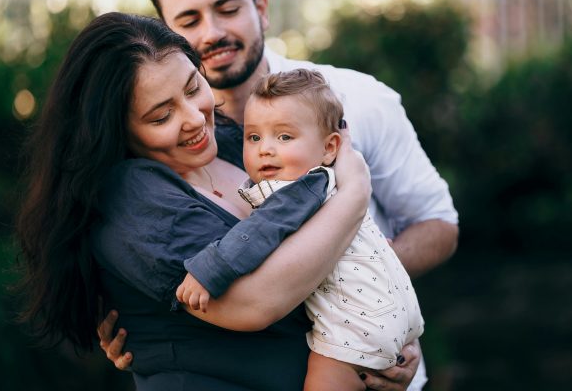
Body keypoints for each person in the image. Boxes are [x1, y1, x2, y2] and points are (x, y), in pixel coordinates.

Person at [100, 0, 458, 390]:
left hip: (381, 366)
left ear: (261, 8)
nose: (213, 32)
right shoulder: (186, 148)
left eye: (228, 9)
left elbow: (438, 224)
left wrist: (371, 303)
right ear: (168, 35)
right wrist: (149, 330)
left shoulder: (357, 99)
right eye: (189, 20)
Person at [16, 12, 389, 390]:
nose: (194, 118)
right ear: (116, 130)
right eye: (162, 116)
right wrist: (355, 193)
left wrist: (384, 346)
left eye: (194, 88)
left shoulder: (235, 145)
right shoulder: (130, 196)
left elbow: (338, 260)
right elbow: (254, 303)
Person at [176, 69, 425, 391]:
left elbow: (259, 231)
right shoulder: (330, 185)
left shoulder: (300, 190)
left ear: (329, 148)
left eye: (284, 137)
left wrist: (209, 269)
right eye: (254, 137)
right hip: (392, 312)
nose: (265, 149)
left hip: (357, 323)